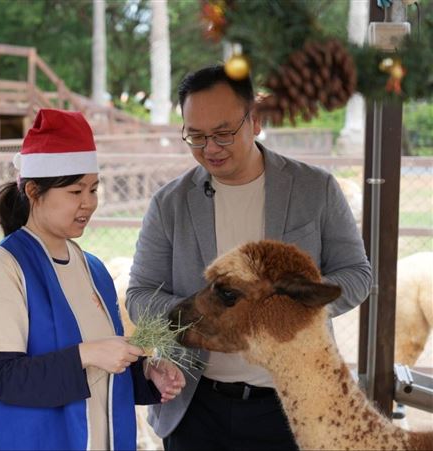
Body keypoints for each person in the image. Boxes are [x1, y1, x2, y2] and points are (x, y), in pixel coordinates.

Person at [126, 65, 372, 450]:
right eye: (196, 136)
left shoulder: (314, 188)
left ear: (255, 121)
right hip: (195, 406)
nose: (210, 149)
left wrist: (287, 309)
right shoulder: (169, 204)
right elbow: (140, 296)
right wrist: (197, 315)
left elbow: (357, 274)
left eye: (223, 134)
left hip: (294, 403)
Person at [0, 108, 186, 451]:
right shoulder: (3, 268)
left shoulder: (93, 269)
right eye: (74, 192)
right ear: (34, 191)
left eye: (94, 190)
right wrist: (87, 353)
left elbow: (100, 368)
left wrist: (145, 376)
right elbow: (3, 378)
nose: (88, 204)